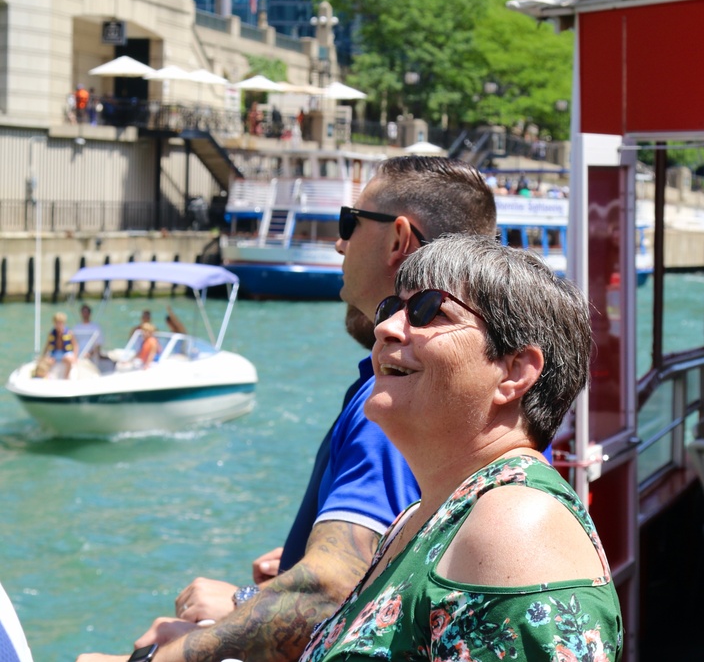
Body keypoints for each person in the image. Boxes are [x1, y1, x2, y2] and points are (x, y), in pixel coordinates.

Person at [78, 157, 498, 662]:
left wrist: (171, 652)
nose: (339, 243)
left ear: (397, 240)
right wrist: (297, 565)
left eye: (349, 223)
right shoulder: (456, 395)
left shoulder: (392, 405)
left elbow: (332, 592)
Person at [300, 233, 623, 662]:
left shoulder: (513, 526)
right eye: (391, 308)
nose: (386, 327)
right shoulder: (421, 518)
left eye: (429, 310)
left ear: (513, 372)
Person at [40, 312, 76, 378]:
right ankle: (46, 377)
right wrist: (43, 356)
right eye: (57, 323)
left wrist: (75, 356)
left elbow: (75, 345)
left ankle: (66, 377)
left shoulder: (69, 333)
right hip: (55, 353)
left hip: (66, 353)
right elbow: (47, 346)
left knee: (69, 360)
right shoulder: (52, 333)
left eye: (60, 323)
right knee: (46, 362)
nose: (58, 325)